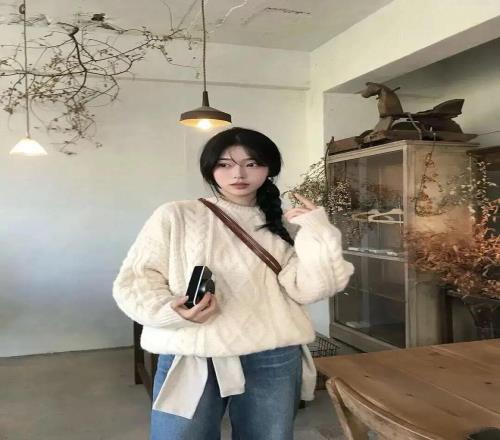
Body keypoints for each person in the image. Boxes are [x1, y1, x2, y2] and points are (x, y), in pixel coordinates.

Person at [112, 127, 354, 440]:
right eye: (225, 164)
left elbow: (311, 289)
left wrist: (320, 231)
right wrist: (170, 310)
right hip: (193, 350)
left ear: (269, 169)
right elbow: (137, 278)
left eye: (252, 164)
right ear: (210, 170)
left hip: (272, 353)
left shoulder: (284, 224)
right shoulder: (177, 215)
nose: (238, 174)